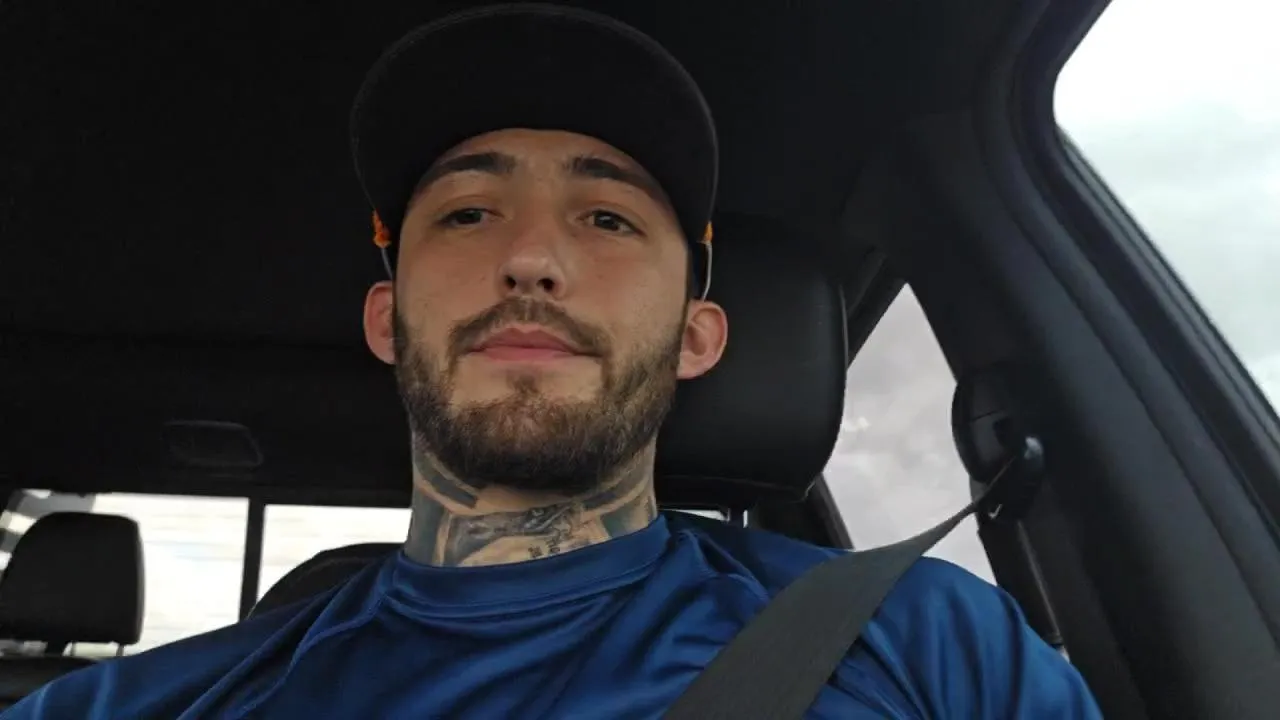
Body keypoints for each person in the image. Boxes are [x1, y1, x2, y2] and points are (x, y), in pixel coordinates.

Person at [5, 5, 1102, 719]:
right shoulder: (125, 708)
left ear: (695, 337)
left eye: (608, 220)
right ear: (387, 320)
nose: (531, 258)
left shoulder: (929, 644)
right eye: (468, 213)